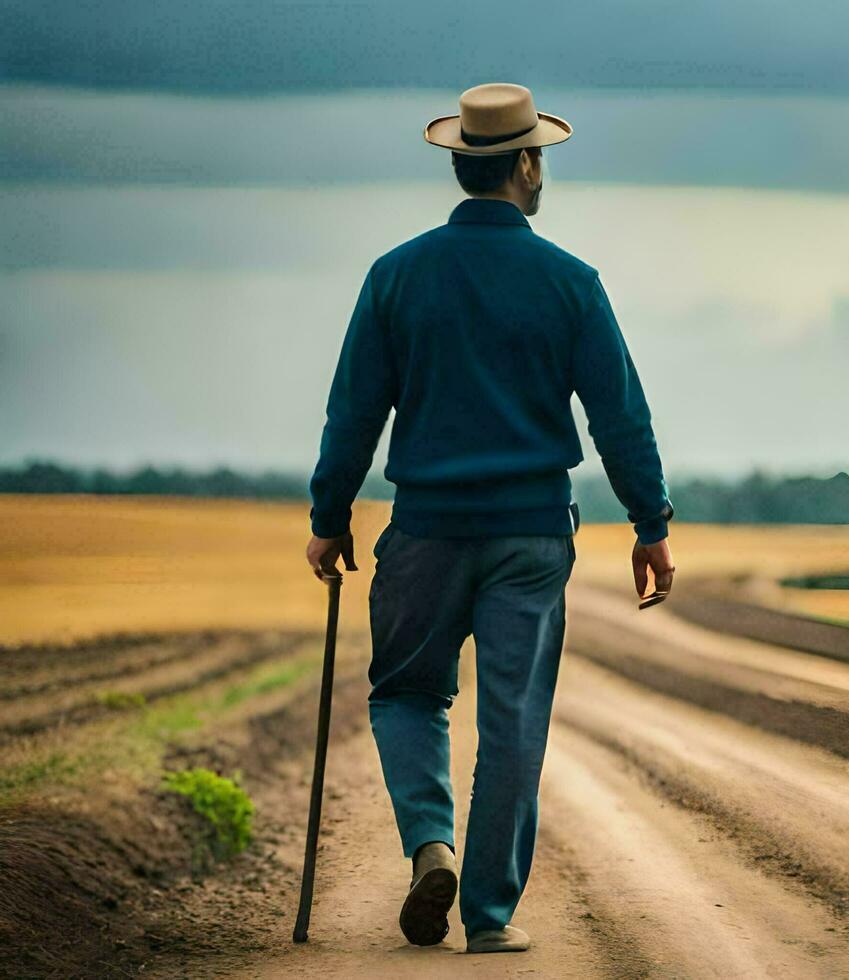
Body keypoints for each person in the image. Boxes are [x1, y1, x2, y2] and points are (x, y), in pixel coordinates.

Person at [303, 82, 675, 954]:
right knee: (512, 721)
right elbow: (620, 415)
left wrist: (329, 515)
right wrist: (649, 523)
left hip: (424, 530)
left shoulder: (395, 276)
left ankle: (430, 844)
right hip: (532, 535)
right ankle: (490, 916)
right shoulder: (571, 283)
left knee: (406, 694)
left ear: (463, 162)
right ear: (528, 164)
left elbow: (353, 412)